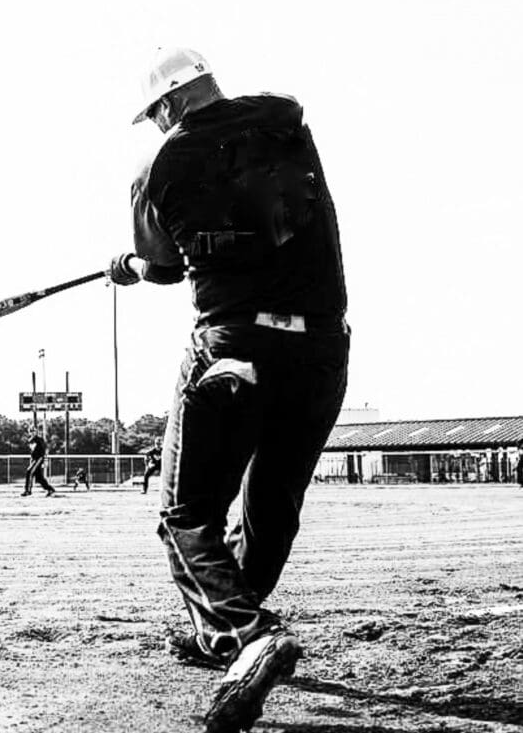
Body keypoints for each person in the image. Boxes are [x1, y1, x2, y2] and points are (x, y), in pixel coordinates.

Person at [109, 47, 349, 733]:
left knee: (186, 516)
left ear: (168, 105)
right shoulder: (288, 125)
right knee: (271, 507)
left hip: (235, 350)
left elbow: (159, 268)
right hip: (323, 349)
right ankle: (222, 633)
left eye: (156, 113)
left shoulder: (157, 165)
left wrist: (123, 263)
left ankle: (249, 632)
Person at [21, 425, 55, 497]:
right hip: (34, 459)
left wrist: (45, 461)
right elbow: (32, 452)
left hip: (39, 459)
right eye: (31, 431)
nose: (32, 433)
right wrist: (31, 460)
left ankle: (28, 490)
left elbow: (44, 451)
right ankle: (50, 489)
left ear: (36, 432)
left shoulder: (39, 440)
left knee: (29, 471)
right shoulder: (30, 440)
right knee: (39, 478)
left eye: (34, 431)